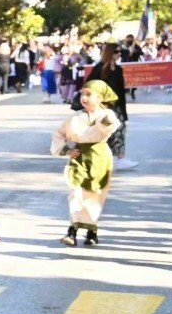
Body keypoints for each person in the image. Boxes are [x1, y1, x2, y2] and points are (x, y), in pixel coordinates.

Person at [51, 81, 118, 248]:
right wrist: (67, 150)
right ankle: (71, 232)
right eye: (82, 94)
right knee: (76, 194)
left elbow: (108, 126)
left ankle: (92, 232)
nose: (84, 98)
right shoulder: (75, 117)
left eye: (89, 94)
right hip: (80, 158)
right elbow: (59, 133)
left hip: (100, 158)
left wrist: (105, 118)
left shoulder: (106, 114)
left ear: (100, 98)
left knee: (95, 196)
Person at [86, 43, 131, 168]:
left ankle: (121, 158)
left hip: (116, 107)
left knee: (120, 130)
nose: (119, 54)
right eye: (117, 52)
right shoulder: (99, 68)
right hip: (102, 107)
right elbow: (89, 84)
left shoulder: (118, 70)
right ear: (110, 53)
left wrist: (123, 112)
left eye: (120, 52)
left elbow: (121, 92)